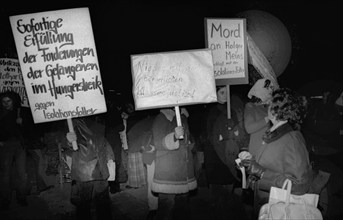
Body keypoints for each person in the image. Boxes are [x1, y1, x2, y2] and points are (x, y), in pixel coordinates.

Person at [239, 88, 314, 217]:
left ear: (274, 110)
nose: (267, 106)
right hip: (267, 203)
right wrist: (251, 160)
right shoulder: (275, 132)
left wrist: (262, 172)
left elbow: (300, 185)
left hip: (280, 209)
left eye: (270, 103)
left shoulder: (292, 140)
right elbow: (271, 162)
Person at [204, 86, 249, 219]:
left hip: (229, 157)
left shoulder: (232, 112)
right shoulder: (211, 112)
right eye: (222, 92)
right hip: (216, 159)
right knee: (218, 198)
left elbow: (237, 132)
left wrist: (235, 133)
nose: (225, 95)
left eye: (227, 92)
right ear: (215, 93)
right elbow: (210, 136)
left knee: (229, 198)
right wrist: (223, 135)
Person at [65, 116, 115, 220]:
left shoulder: (96, 120)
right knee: (84, 206)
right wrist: (70, 141)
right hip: (84, 173)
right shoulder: (74, 122)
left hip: (100, 171)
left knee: (102, 206)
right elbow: (71, 144)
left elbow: (103, 141)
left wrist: (110, 158)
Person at [151, 107, 196, 220]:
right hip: (169, 172)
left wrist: (189, 142)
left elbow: (188, 140)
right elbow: (158, 142)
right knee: (166, 209)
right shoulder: (161, 118)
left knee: (182, 209)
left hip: (183, 170)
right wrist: (174, 137)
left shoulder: (182, 117)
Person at [0, 91, 27, 209]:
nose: (6, 104)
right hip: (5, 145)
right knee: (5, 174)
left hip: (19, 145)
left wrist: (22, 123)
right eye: (3, 101)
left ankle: (21, 198)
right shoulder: (0, 113)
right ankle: (5, 199)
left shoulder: (19, 111)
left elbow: (29, 130)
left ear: (13, 101)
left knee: (22, 173)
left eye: (8, 101)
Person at [244, 78, 277, 158]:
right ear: (259, 89)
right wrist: (267, 118)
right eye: (267, 87)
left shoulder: (271, 107)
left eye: (271, 88)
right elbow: (249, 128)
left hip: (271, 149)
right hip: (257, 151)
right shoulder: (251, 106)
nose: (270, 90)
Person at [104, 92, 125, 194]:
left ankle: (107, 185)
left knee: (107, 162)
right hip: (114, 140)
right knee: (116, 162)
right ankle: (114, 187)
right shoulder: (115, 112)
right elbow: (121, 127)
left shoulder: (101, 112)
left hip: (104, 139)